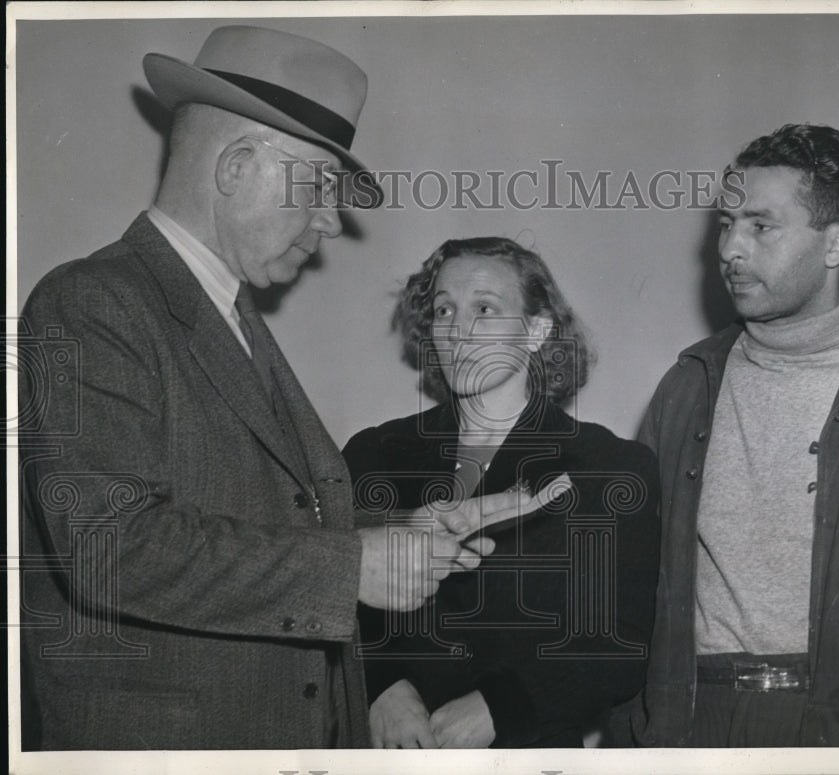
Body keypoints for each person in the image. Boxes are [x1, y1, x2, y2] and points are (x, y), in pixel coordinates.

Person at [18, 25, 524, 750]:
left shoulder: (229, 314)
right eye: (319, 185)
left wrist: (392, 541)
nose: (332, 220)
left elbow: (245, 522)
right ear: (236, 165)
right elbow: (109, 543)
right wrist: (354, 566)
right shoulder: (88, 302)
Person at [629, 124, 839, 747]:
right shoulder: (687, 386)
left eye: (761, 226)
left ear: (836, 243)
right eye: (725, 223)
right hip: (689, 725)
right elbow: (634, 586)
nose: (731, 248)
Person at [341, 237, 661, 748]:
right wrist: (381, 688)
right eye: (444, 309)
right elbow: (329, 592)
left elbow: (619, 644)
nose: (458, 330)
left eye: (484, 309)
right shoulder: (373, 455)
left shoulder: (608, 468)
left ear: (536, 331)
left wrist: (501, 708)